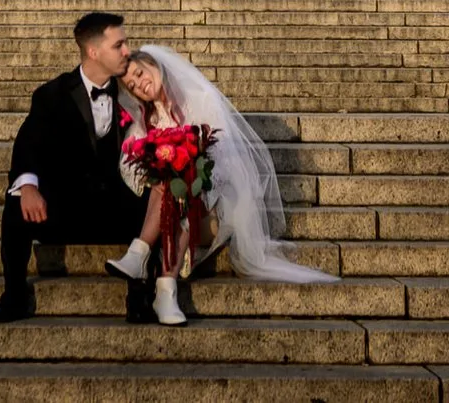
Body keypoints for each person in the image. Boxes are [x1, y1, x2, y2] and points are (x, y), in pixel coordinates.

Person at [101, 42, 334, 324]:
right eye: (133, 86)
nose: (140, 84)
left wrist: (187, 172)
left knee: (182, 177)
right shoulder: (147, 118)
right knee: (169, 180)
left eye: (140, 74)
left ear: (153, 65)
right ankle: (165, 290)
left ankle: (140, 255)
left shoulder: (198, 99)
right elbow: (127, 160)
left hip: (214, 205)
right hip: (176, 207)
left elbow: (222, 159)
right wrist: (154, 179)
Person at [0, 11, 152, 323]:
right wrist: (29, 187)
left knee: (153, 199)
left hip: (116, 207)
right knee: (16, 200)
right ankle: (14, 295)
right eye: (119, 45)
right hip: (67, 207)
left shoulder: (132, 91)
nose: (127, 51)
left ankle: (141, 296)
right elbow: (28, 143)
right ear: (93, 51)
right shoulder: (52, 94)